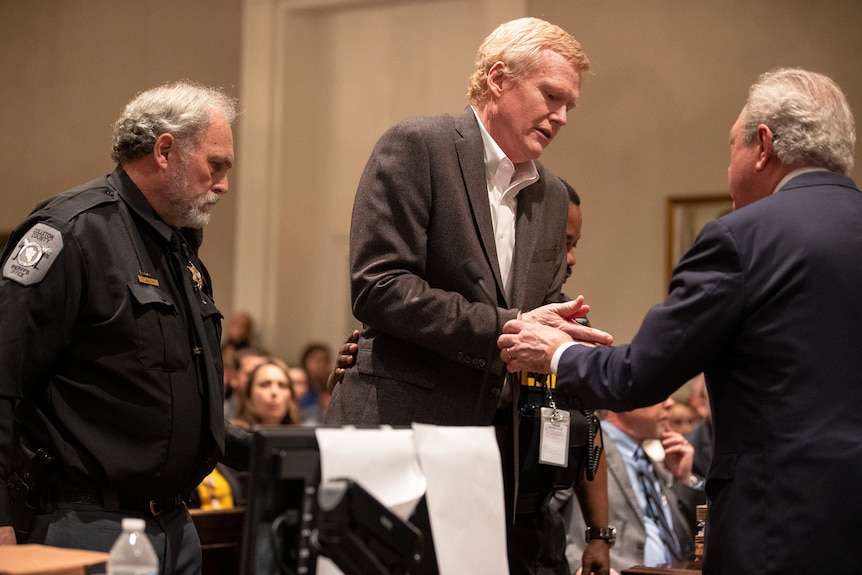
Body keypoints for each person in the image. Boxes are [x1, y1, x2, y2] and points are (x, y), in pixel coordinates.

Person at [498, 68, 862, 574]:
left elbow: (639, 376)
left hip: (780, 525)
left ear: (763, 145)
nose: (728, 168)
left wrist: (553, 351)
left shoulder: (742, 239)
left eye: (730, 147)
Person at [325, 17, 614, 575]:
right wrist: (509, 327)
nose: (560, 116)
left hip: (491, 454)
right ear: (499, 77)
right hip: (395, 436)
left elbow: (540, 304)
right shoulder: (419, 145)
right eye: (550, 96)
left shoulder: (551, 195)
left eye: (569, 105)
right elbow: (379, 286)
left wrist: (562, 333)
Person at [0, 81, 251, 575]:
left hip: (177, 528)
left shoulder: (180, 249)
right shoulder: (72, 232)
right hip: (85, 523)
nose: (222, 185)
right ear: (165, 150)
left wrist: (277, 449)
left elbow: (174, 401)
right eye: (215, 165)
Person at [553, 400, 701, 573]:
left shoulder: (655, 463)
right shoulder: (585, 446)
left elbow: (686, 539)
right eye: (657, 393)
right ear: (621, 401)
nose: (669, 403)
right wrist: (578, 566)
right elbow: (544, 516)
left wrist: (683, 479)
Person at [231, 358, 300, 429]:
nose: (274, 392)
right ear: (249, 395)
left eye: (282, 385)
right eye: (265, 384)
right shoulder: (231, 436)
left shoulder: (304, 437)